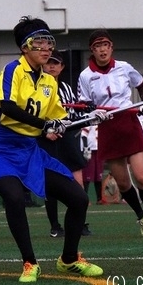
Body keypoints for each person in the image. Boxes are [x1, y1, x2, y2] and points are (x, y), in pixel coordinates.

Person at [0, 16, 104, 282]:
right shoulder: (12, 70)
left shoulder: (50, 83)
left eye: (48, 42)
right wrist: (45, 124)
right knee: (14, 198)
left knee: (79, 199)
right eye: (39, 42)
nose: (46, 47)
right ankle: (30, 262)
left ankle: (70, 260)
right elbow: (6, 106)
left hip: (29, 150)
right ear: (24, 47)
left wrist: (91, 118)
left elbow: (60, 123)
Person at [77, 29, 143, 238]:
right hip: (107, 127)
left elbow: (141, 86)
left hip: (129, 122)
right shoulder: (85, 76)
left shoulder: (124, 68)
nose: (102, 50)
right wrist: (93, 111)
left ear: (111, 47)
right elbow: (84, 104)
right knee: (123, 183)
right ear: (93, 50)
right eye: (98, 46)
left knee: (142, 177)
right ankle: (140, 215)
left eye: (105, 45)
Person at [38, 49, 93, 238]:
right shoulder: (38, 86)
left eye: (56, 63)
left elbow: (74, 116)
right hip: (47, 137)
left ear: (62, 67)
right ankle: (55, 226)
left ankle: (80, 223)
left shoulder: (67, 89)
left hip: (67, 136)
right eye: (49, 63)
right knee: (51, 183)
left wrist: (88, 111)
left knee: (78, 181)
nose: (52, 66)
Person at [80, 124, 104, 205]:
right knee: (87, 175)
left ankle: (99, 198)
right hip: (90, 150)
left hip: (98, 149)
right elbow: (83, 134)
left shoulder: (101, 119)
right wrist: (86, 147)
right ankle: (85, 198)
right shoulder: (89, 117)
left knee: (99, 175)